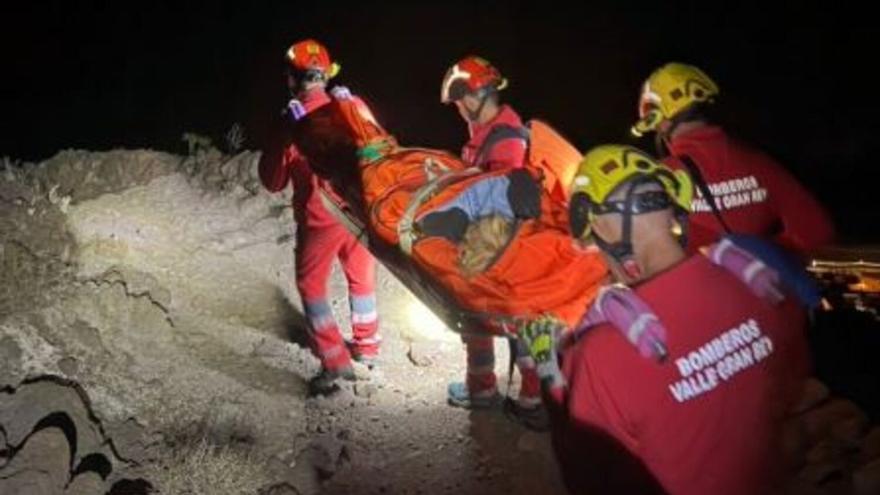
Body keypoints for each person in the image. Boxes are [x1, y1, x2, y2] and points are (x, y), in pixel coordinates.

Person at [525, 144, 811, 494]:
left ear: (600, 225)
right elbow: (791, 378)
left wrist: (550, 377)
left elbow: (587, 477)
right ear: (672, 210)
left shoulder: (602, 354)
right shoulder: (756, 284)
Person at [258, 39, 380, 395]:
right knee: (361, 278)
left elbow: (272, 181)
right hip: (358, 212)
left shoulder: (293, 123)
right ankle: (369, 349)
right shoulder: (351, 104)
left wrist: (282, 134)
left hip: (320, 218)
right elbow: (380, 145)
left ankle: (335, 362)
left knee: (312, 287)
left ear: (292, 79)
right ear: (327, 74)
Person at [632, 62, 834, 254]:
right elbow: (816, 231)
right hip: (756, 288)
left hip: (692, 288)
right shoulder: (759, 163)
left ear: (662, 119)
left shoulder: (659, 177)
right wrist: (757, 256)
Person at [439, 56, 544, 423]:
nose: (457, 110)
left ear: (469, 98)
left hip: (506, 245)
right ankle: (481, 385)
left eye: (457, 103)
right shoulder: (488, 133)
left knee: (519, 319)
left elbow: (502, 202)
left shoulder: (506, 139)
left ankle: (534, 399)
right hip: (491, 239)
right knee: (474, 313)